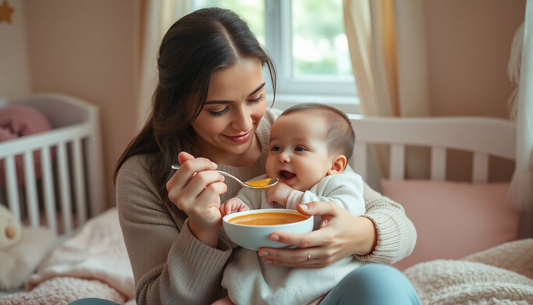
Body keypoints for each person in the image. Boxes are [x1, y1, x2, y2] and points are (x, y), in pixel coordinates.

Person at [112, 7, 420, 305]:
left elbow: (401, 226)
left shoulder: (289, 135)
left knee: (382, 283)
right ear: (179, 103)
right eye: (219, 109)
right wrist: (203, 229)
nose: (245, 124)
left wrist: (358, 236)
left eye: (255, 97)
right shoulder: (144, 175)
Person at [216, 103, 367, 305]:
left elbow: (347, 212)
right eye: (276, 148)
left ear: (335, 165)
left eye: (300, 148)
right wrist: (236, 207)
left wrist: (291, 197)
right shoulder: (262, 185)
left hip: (319, 288)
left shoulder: (339, 183)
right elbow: (244, 204)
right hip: (257, 284)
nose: (283, 156)